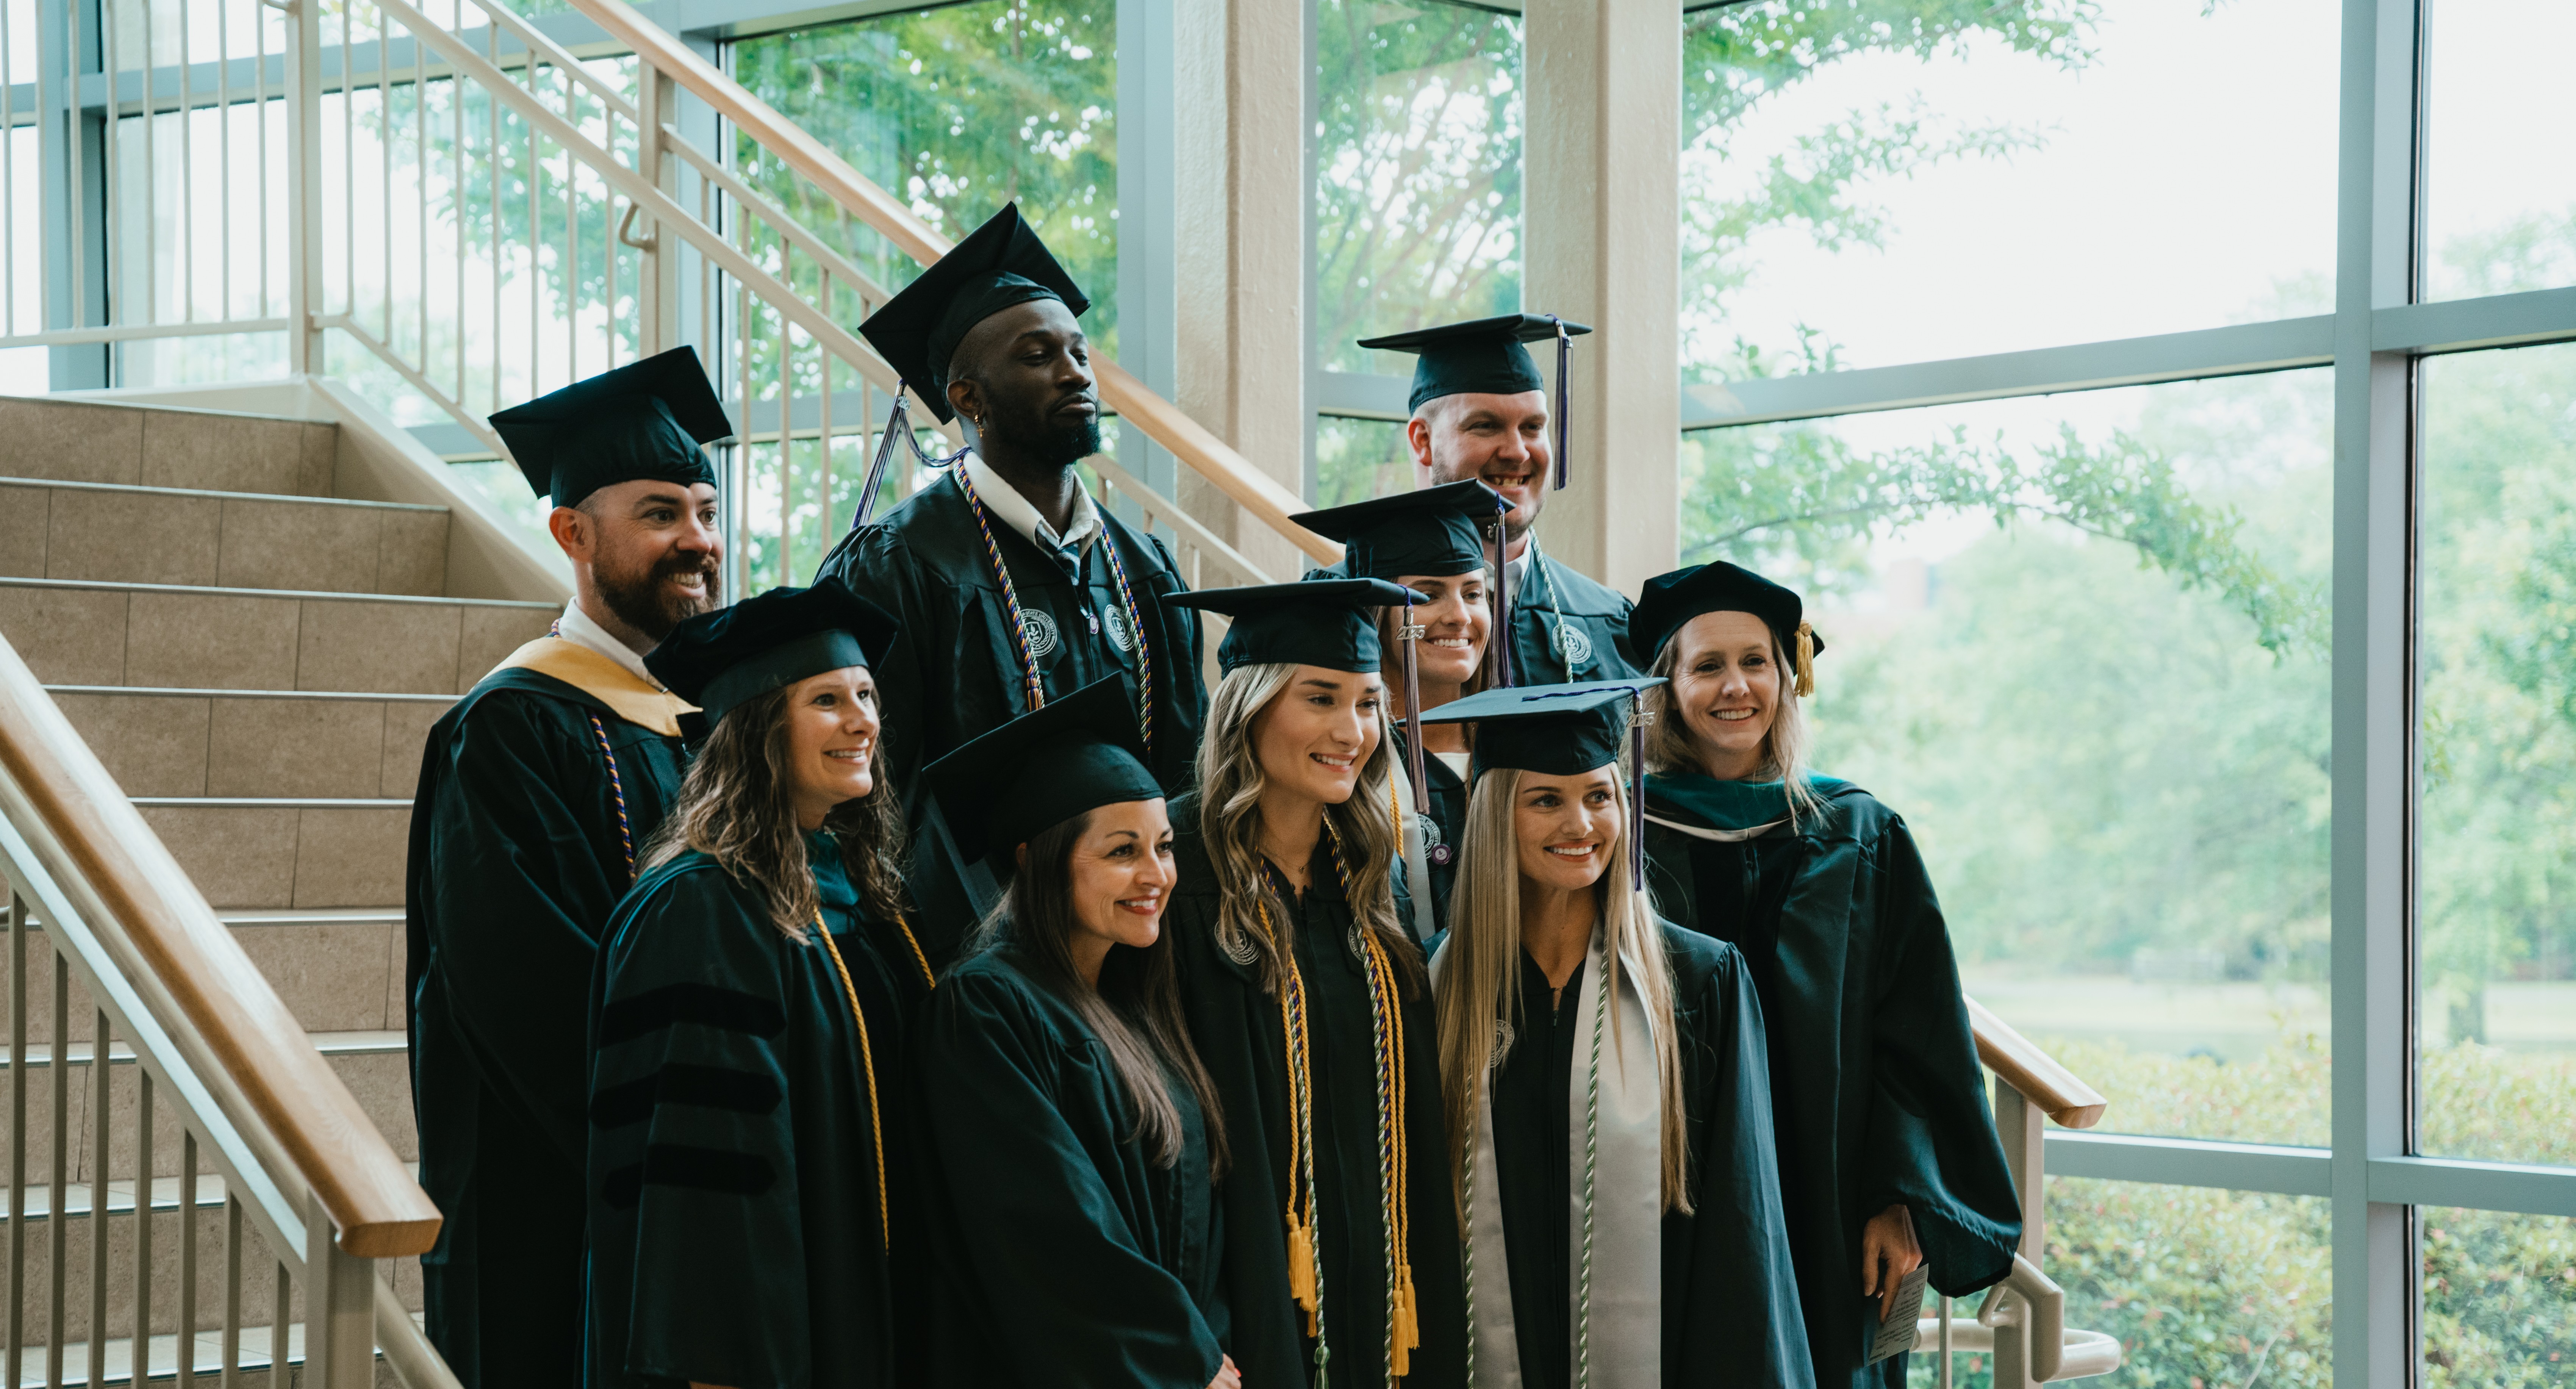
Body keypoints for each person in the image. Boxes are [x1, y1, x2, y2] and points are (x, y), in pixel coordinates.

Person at [404, 345, 727, 1389]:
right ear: (571, 533)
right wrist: (679, 1137)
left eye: (705, 511)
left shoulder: (709, 721)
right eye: (659, 514)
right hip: (556, 1190)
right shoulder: (505, 730)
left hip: (701, 1185)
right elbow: (522, 986)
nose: (696, 540)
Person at [1629, 562, 2022, 1388]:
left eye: (1756, 662)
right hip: (1671, 1179)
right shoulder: (1623, 831)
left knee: (1851, 1355)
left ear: (1788, 676)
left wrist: (1903, 1198)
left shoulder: (1860, 832)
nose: (1736, 686)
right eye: (1707, 665)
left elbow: (1916, 1033)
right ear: (1666, 687)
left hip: (1841, 1189)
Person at [816, 203, 1207, 953]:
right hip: (965, 955)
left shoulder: (1143, 567)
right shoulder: (900, 563)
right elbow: (871, 792)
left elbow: (1182, 767)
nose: (1075, 374)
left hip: (1135, 950)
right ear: (968, 398)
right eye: (1038, 357)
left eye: (1081, 354)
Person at [584, 579, 935, 1389]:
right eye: (826, 700)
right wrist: (723, 1363)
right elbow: (700, 1175)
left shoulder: (857, 892)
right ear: (758, 728)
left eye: (868, 695)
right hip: (756, 1345)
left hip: (859, 1290)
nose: (863, 722)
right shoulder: (699, 908)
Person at [1417, 680, 1812, 1389]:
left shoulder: (1698, 982)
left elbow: (1738, 1227)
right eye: (1545, 800)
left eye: (1598, 796)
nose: (1580, 824)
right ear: (1494, 815)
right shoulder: (1437, 991)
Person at [1158, 578, 1466, 1389]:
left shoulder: (1370, 880)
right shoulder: (1172, 873)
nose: (1352, 731)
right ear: (1249, 707)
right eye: (1321, 699)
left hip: (1376, 1283)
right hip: (1235, 1292)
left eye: (1368, 704)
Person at [912, 676, 1241, 1389]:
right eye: (1122, 851)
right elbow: (1047, 1228)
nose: (1155, 874)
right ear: (1038, 857)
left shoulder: (1136, 1004)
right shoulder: (987, 1006)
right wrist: (1182, 1356)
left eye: (1163, 846)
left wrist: (1206, 1350)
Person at [1351, 314, 1638, 683]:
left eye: (1533, 428)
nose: (1517, 452)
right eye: (1485, 426)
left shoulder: (1608, 620)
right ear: (1423, 441)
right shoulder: (1347, 607)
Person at [1292, 480, 1510, 938]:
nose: (1460, 616)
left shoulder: (1516, 747)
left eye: (1473, 593)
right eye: (1428, 595)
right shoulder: (1340, 762)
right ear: (1377, 611)